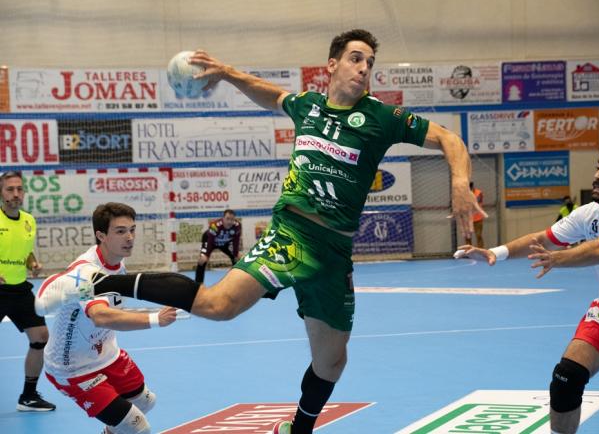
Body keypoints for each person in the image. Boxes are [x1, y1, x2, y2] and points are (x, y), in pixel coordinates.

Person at [39, 29, 484, 434]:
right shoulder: (308, 106)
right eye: (355, 58)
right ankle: (104, 280)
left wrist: (459, 183)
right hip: (292, 232)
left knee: (331, 362)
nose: (364, 68)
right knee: (218, 305)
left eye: (370, 62)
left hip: (335, 251)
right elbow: (270, 95)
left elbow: (450, 140)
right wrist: (229, 73)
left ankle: (297, 427)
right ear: (332, 65)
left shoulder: (382, 118)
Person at [457, 140, 599, 434]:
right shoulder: (590, 213)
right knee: (567, 377)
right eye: (598, 167)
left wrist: (559, 259)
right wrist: (495, 253)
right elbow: (544, 238)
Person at [35, 202, 177, 434]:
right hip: (73, 367)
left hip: (106, 354)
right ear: (101, 235)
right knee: (139, 428)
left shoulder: (117, 260)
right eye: (120, 231)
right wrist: (154, 319)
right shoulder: (86, 273)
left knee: (145, 401)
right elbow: (101, 316)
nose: (129, 237)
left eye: (132, 229)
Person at [0, 170, 56, 412]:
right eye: (9, 189)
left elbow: (25, 250)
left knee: (41, 337)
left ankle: (29, 396)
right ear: (1, 193)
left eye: (19, 189)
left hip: (20, 290)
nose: (15, 194)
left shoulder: (28, 220)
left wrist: (32, 263)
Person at [195, 209, 241, 282]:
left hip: (225, 243)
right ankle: (198, 284)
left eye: (232, 219)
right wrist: (206, 255)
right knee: (202, 261)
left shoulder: (237, 226)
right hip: (210, 241)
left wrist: (235, 254)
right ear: (223, 218)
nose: (229, 222)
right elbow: (210, 241)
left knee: (237, 260)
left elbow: (236, 241)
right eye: (227, 219)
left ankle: (236, 281)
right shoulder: (215, 225)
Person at [465, 181, 485, 248]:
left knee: (479, 235)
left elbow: (475, 203)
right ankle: (469, 251)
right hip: (467, 219)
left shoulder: (478, 193)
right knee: (468, 237)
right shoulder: (463, 193)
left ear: (472, 187)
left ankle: (480, 250)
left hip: (478, 218)